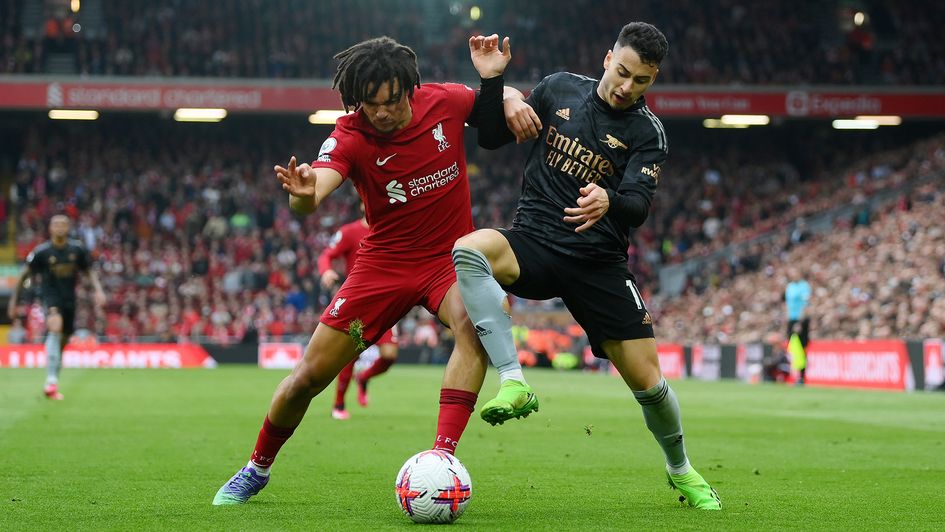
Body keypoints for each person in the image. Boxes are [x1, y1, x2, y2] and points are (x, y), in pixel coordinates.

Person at [212, 33, 515, 505]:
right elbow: (312, 198)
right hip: (385, 266)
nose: (382, 113)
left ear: (409, 89)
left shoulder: (447, 101)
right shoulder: (351, 134)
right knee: (309, 377)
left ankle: (441, 458)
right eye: (369, 104)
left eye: (391, 101)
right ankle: (257, 467)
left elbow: (493, 120)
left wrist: (500, 85)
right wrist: (301, 192)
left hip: (447, 260)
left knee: (472, 324)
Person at [451, 22, 721, 509]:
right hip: (532, 241)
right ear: (606, 58)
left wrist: (609, 199)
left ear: (653, 79)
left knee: (650, 384)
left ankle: (680, 469)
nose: (627, 87)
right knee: (469, 249)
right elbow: (491, 137)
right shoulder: (556, 90)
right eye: (622, 72)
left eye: (642, 81)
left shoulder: (648, 132)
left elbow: (638, 205)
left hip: (598, 264)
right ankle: (513, 381)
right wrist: (499, 88)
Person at [7, 214, 106, 400]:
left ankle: (52, 377)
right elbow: (23, 276)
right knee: (55, 326)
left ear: (68, 228)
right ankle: (51, 381)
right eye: (56, 224)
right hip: (50, 297)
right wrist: (14, 301)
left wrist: (98, 290)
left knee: (62, 341)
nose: (60, 227)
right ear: (50, 228)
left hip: (70, 300)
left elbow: (88, 271)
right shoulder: (41, 252)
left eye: (63, 224)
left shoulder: (77, 250)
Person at [317, 207, 399, 420]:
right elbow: (327, 255)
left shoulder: (392, 230)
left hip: (386, 303)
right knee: (350, 354)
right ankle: (339, 404)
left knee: (390, 355)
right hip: (359, 303)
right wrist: (326, 270)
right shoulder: (349, 231)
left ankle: (363, 378)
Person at [784, 267, 812, 383]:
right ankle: (795, 373)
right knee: (793, 347)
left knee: (801, 347)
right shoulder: (789, 287)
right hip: (791, 319)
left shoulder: (804, 286)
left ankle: (802, 375)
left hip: (800, 320)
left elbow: (805, 305)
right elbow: (787, 304)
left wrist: (799, 322)